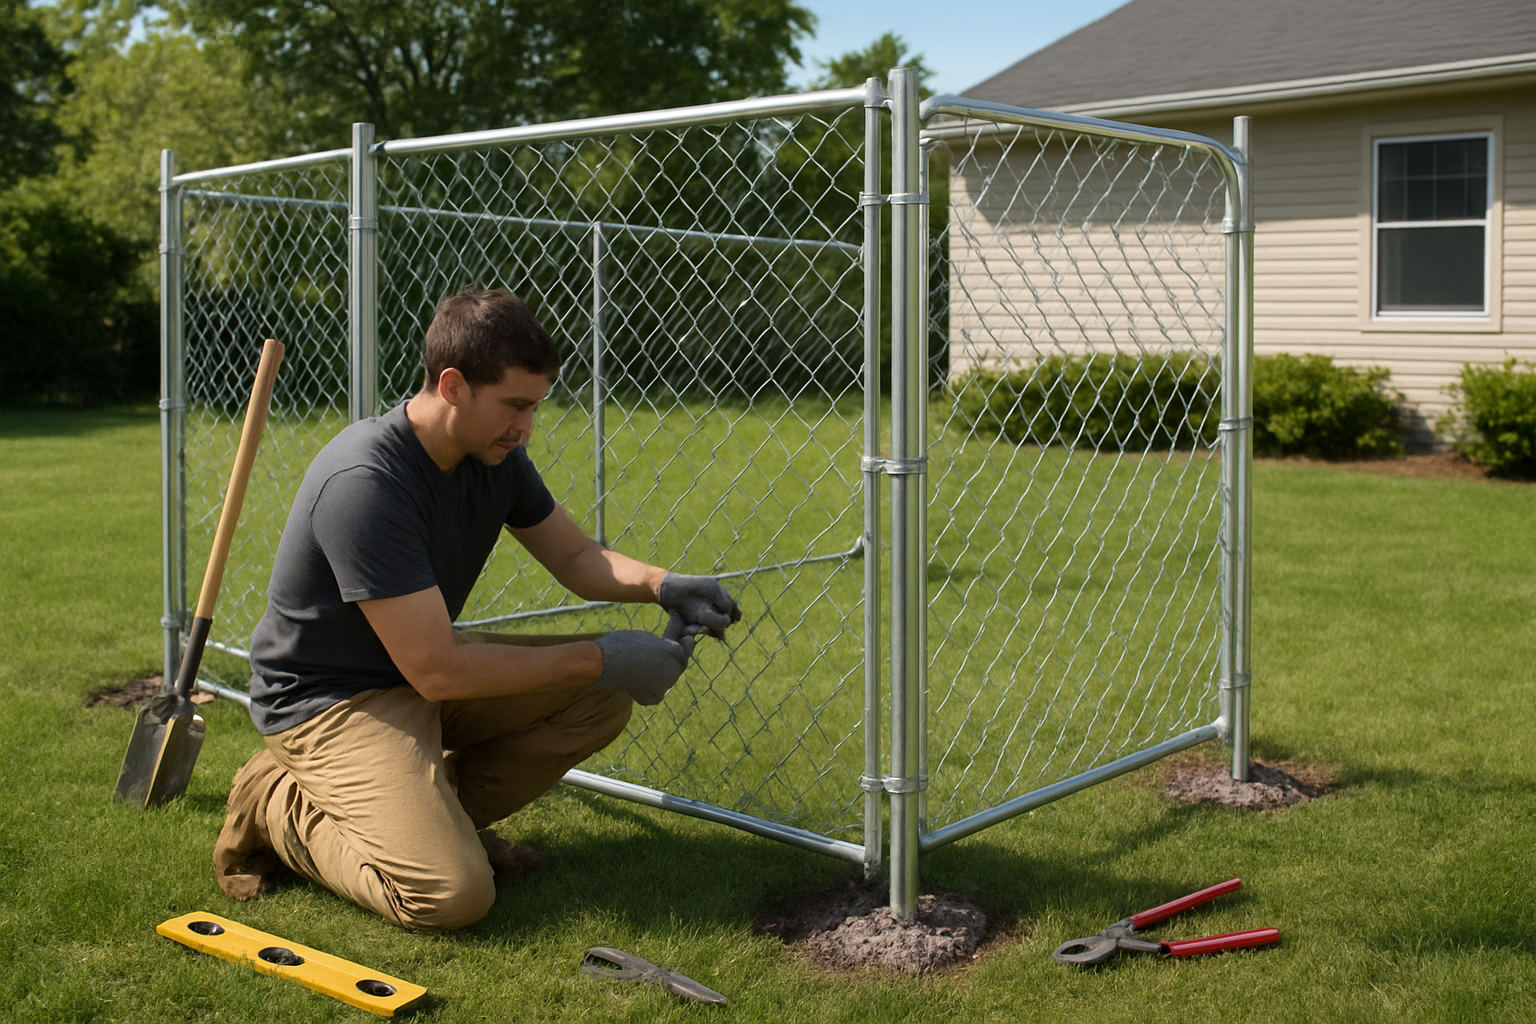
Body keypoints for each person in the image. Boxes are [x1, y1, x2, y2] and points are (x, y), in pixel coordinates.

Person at [212, 287, 740, 930]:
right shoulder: (364, 483)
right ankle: (279, 803)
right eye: (515, 406)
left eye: (535, 407)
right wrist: (602, 655)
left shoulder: (496, 456)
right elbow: (437, 669)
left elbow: (577, 560)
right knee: (451, 897)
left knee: (601, 697)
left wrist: (664, 584)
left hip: (415, 676)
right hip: (328, 703)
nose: (526, 428)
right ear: (454, 385)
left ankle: (421, 823)